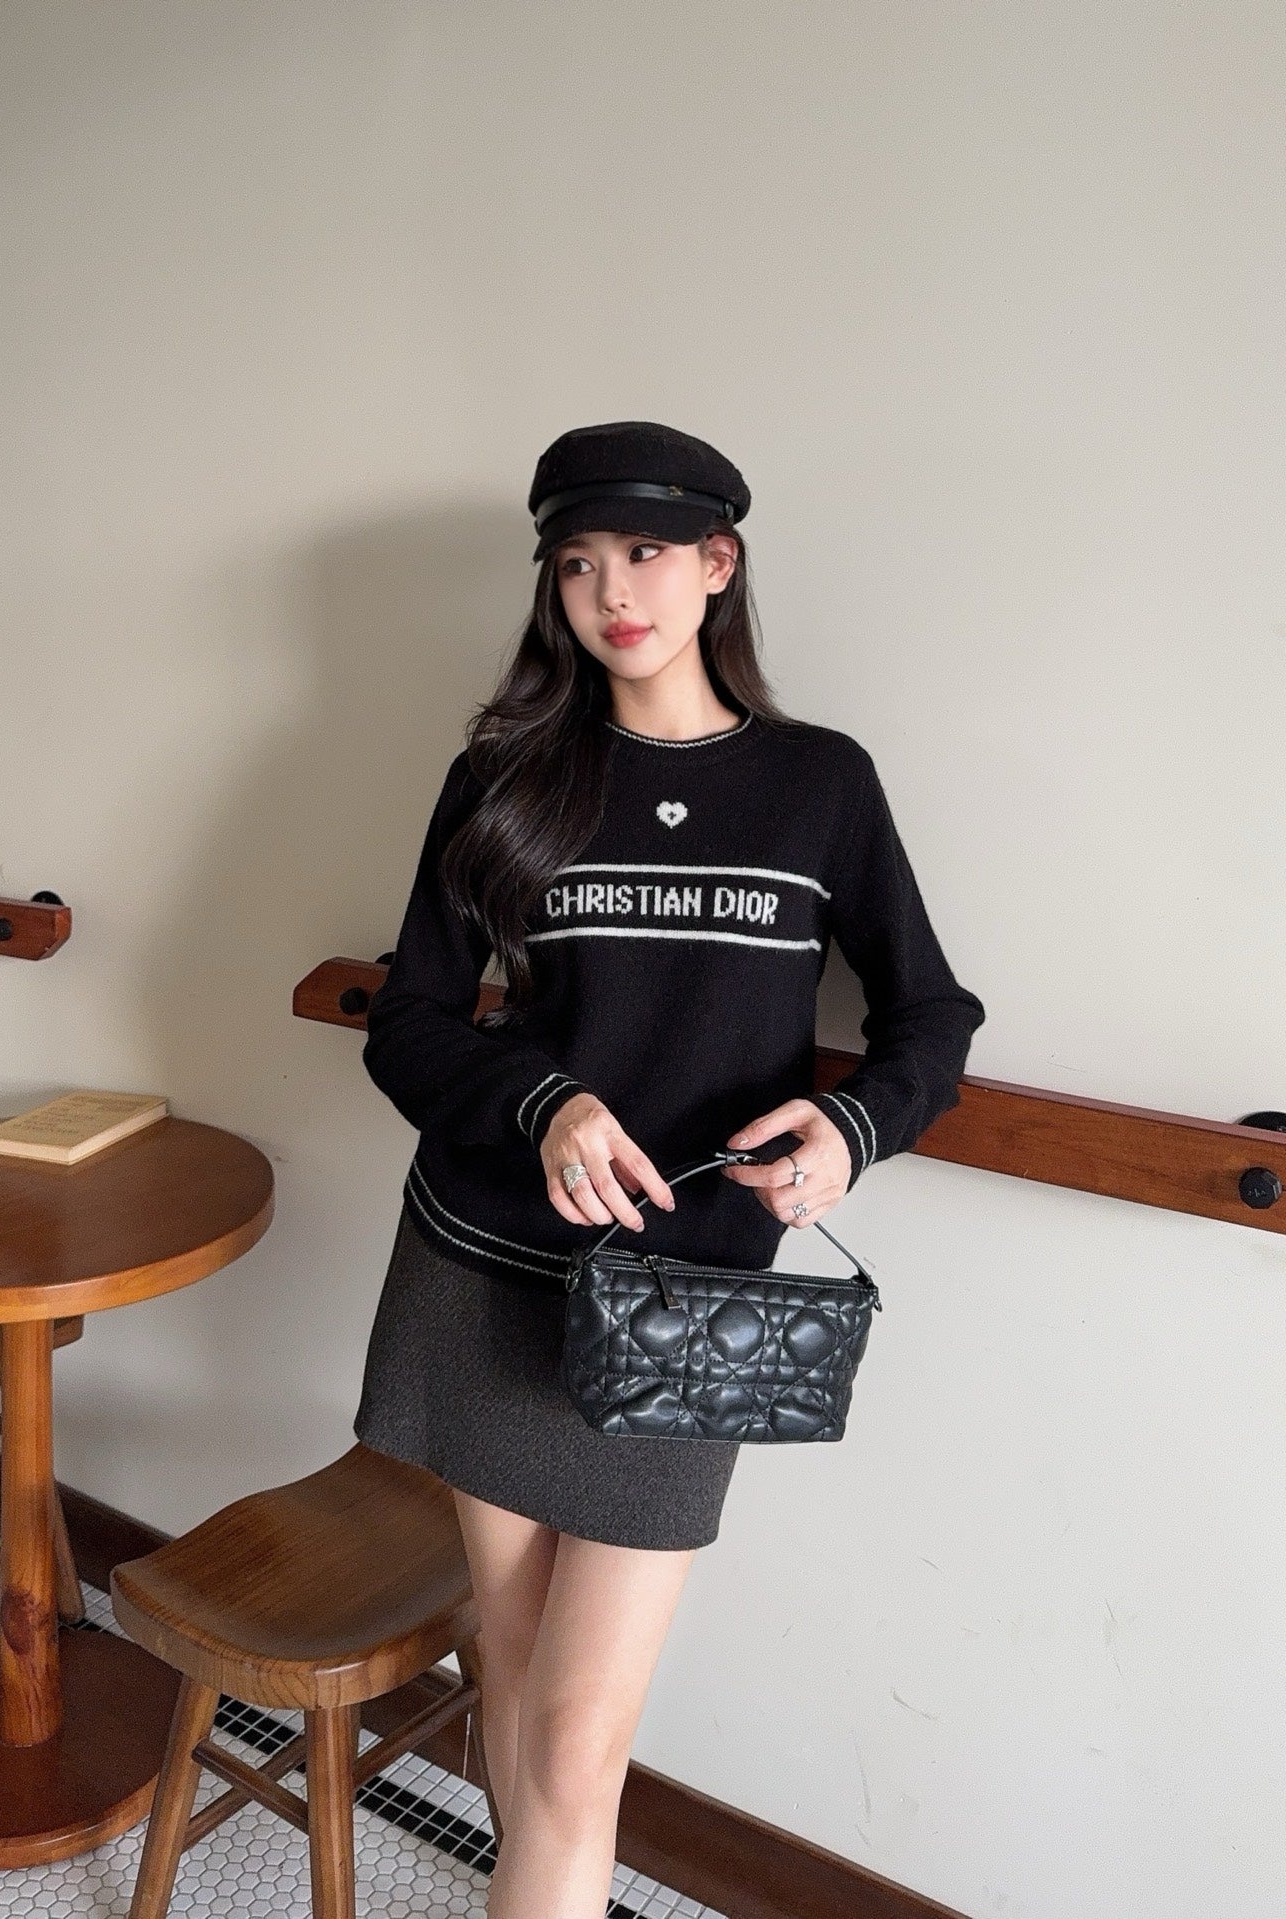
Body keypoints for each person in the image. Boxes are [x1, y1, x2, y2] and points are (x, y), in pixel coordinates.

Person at [352, 418, 986, 1919]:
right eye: (578, 562)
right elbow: (411, 1023)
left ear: (718, 564)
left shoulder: (820, 783)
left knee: (578, 1747)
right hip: (483, 1267)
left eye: (644, 552)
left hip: (685, 1307)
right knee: (518, 1680)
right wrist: (545, 1105)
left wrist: (852, 1129)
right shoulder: (505, 774)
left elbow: (931, 1015)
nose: (613, 592)